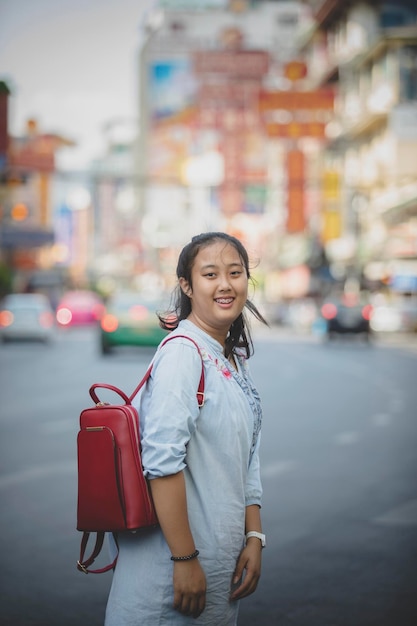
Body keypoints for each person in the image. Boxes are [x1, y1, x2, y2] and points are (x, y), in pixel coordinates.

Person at [105, 232, 268, 625]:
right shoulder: (183, 353)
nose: (226, 284)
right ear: (187, 285)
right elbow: (161, 462)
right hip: (169, 575)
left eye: (235, 272)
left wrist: (254, 537)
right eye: (210, 274)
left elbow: (247, 459)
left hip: (217, 568)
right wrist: (184, 559)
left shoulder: (230, 360)